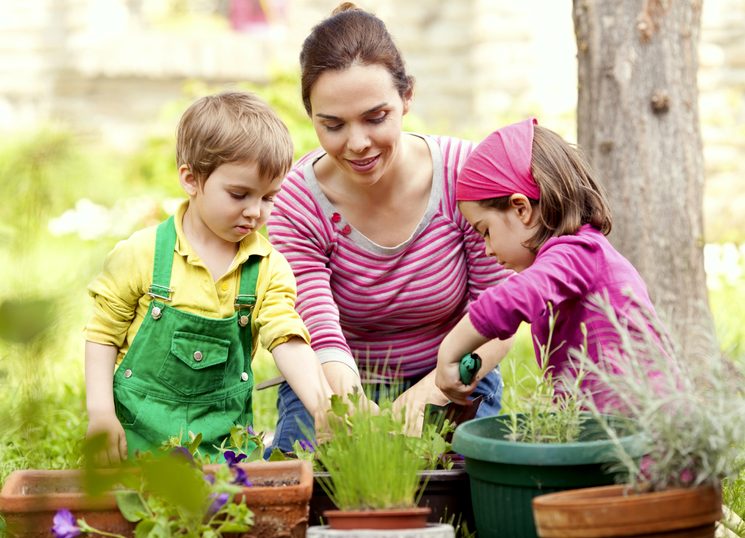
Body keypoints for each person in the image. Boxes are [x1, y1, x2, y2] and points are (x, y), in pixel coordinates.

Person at [265, 2, 513, 453]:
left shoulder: (464, 176)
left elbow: (499, 314)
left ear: (407, 97)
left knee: (468, 488)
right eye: (333, 125)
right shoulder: (298, 201)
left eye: (375, 118)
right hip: (336, 378)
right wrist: (349, 405)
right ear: (311, 116)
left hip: (452, 372)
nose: (357, 143)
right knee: (308, 492)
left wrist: (430, 392)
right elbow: (316, 325)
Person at [84, 91, 334, 464]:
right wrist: (101, 414)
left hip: (223, 447)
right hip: (138, 440)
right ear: (191, 179)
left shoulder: (268, 268)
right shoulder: (143, 254)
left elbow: (286, 337)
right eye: (239, 194)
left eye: (268, 198)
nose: (255, 212)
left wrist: (321, 405)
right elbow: (102, 335)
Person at [435, 117, 661, 409]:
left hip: (645, 429)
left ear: (521, 208)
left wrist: (450, 349)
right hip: (610, 427)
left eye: (486, 231)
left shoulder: (578, 252)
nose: (488, 249)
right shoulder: (572, 258)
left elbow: (512, 298)